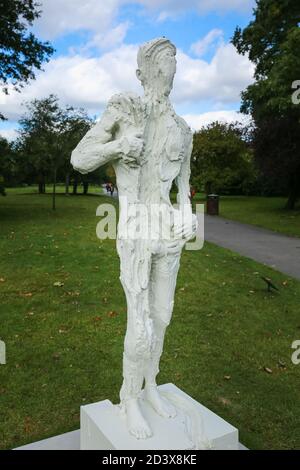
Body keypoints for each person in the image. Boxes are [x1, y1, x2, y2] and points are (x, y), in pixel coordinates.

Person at [71, 37, 197, 439]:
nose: (171, 66)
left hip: (169, 231)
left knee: (162, 316)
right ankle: (128, 399)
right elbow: (80, 158)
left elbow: (185, 184)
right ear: (145, 68)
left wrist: (189, 214)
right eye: (163, 58)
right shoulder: (125, 107)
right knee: (139, 323)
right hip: (137, 230)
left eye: (175, 58)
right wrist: (119, 145)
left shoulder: (182, 128)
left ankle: (151, 386)